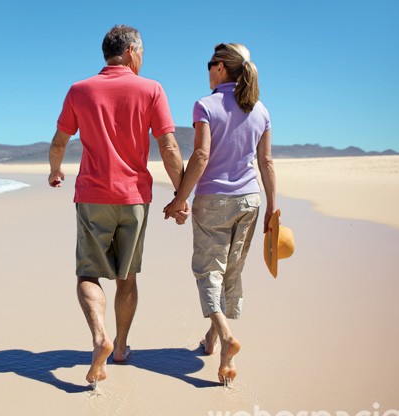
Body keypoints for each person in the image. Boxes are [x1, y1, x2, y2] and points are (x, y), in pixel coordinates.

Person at [48, 25, 186, 386]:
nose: (143, 58)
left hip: (93, 196)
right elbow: (169, 147)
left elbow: (60, 141)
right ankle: (121, 346)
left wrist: (54, 171)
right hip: (134, 198)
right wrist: (181, 195)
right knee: (127, 276)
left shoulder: (79, 90)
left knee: (88, 274)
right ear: (130, 51)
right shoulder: (152, 89)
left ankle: (99, 338)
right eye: (142, 52)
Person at [164, 43, 277, 386]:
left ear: (221, 69)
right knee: (230, 270)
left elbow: (200, 156)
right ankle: (212, 339)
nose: (208, 69)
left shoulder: (206, 105)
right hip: (250, 201)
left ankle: (226, 336)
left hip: (213, 200)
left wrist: (179, 200)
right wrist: (273, 206)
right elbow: (266, 162)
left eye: (211, 63)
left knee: (207, 272)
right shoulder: (260, 110)